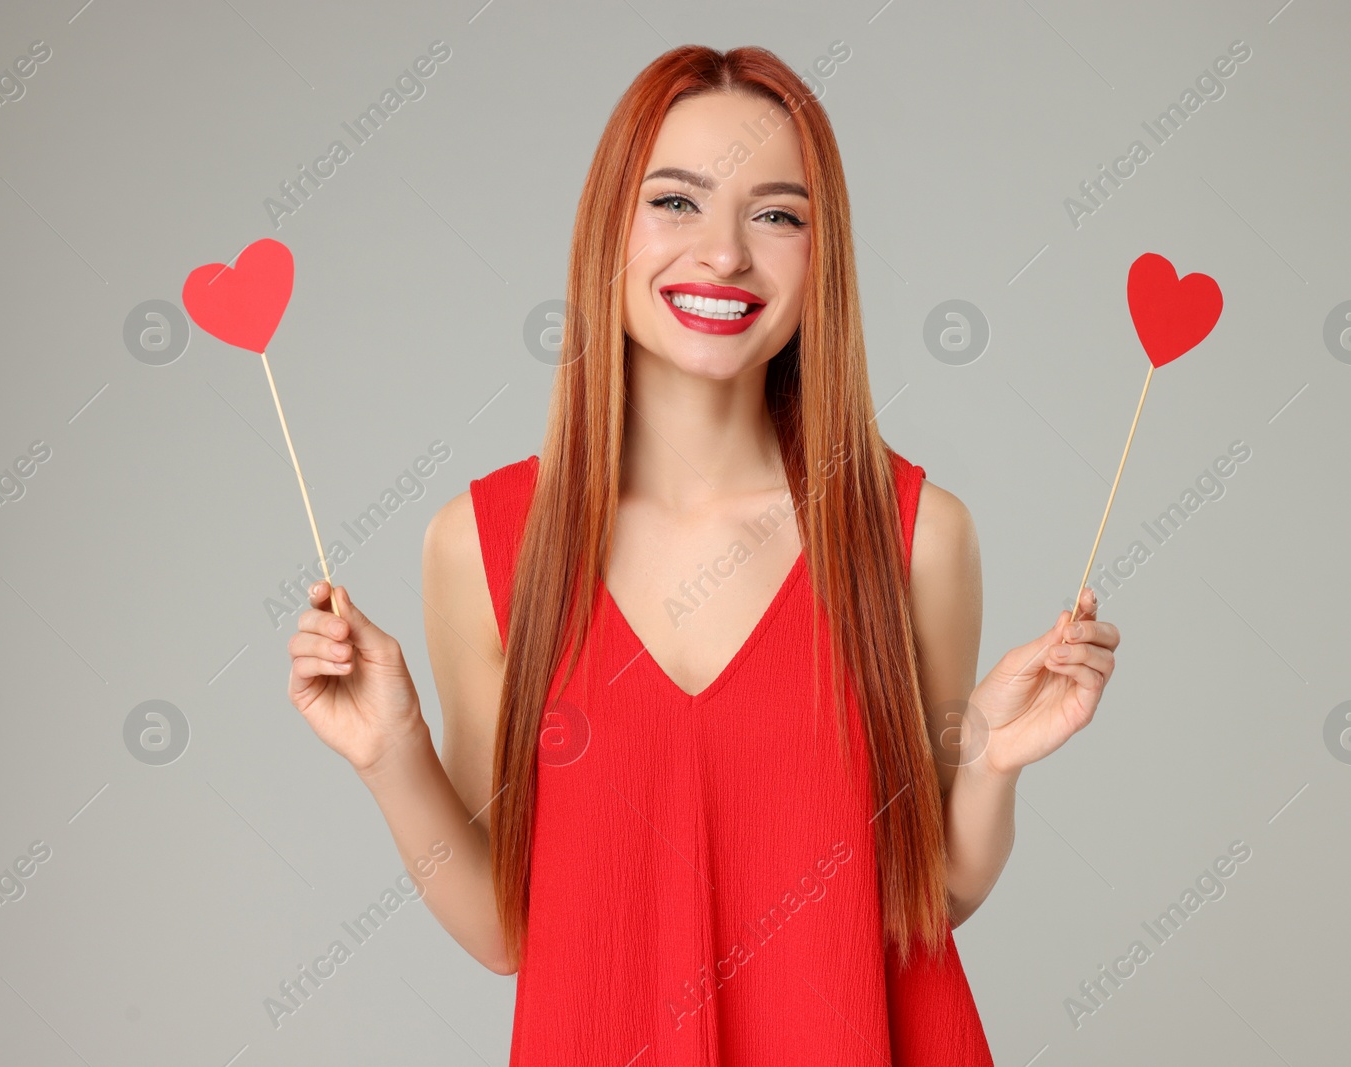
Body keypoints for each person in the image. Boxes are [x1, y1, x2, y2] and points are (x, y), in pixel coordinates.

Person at [286, 44, 1118, 1065]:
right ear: (608, 231)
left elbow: (930, 894)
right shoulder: (482, 545)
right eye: (675, 202)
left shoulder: (915, 536)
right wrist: (389, 750)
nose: (724, 253)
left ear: (823, 255)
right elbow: (510, 930)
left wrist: (991, 759)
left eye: (777, 214)